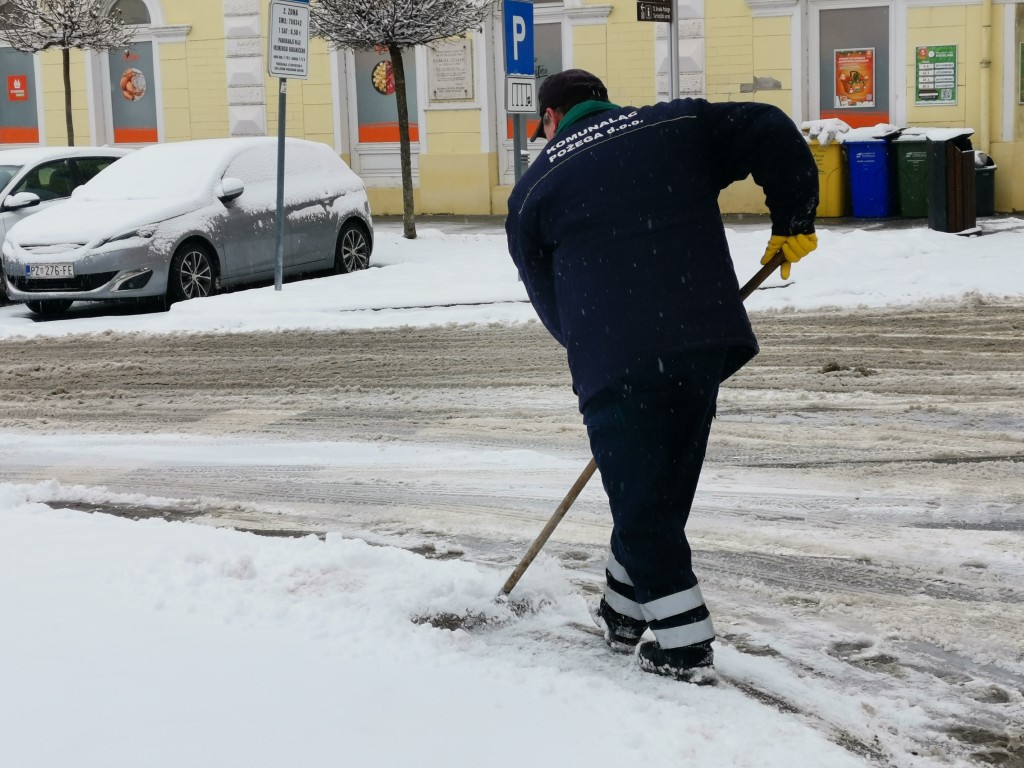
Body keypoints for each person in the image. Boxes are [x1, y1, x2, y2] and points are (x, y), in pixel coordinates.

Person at [505, 69, 818, 683]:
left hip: (616, 356)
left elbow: (547, 296)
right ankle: (622, 617)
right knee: (658, 489)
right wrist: (793, 219)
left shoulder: (534, 187)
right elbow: (768, 126)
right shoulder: (675, 125)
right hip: (702, 338)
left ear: (549, 120)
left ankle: (683, 645)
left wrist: (595, 348)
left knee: (642, 502)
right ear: (604, 98)